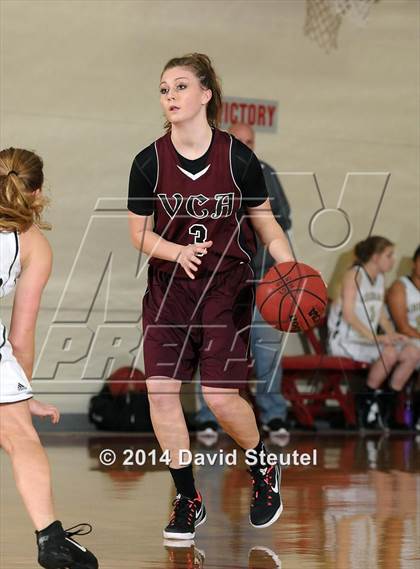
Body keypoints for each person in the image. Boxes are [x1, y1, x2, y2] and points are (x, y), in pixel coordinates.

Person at [127, 53, 294, 539]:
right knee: (160, 391)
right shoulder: (148, 161)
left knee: (221, 399)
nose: (171, 96)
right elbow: (139, 233)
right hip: (169, 288)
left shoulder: (239, 158)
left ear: (205, 95)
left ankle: (263, 468)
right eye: (164, 89)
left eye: (181, 86)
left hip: (226, 287)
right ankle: (187, 496)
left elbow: (267, 227)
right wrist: (177, 251)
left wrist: (289, 273)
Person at [0, 148, 98, 569]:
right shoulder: (33, 244)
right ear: (37, 194)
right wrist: (22, 392)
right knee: (20, 436)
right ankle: (51, 540)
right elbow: (22, 334)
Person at [195, 122, 291, 442]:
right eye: (240, 141)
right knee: (216, 351)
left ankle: (274, 415)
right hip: (220, 281)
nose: (246, 146)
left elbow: (282, 223)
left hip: (261, 280)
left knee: (267, 351)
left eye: (250, 141)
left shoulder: (266, 173)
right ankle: (208, 418)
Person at [328, 236, 420, 429]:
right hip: (344, 339)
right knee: (389, 352)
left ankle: (389, 404)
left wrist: (391, 334)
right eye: (389, 255)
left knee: (412, 352)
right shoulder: (354, 275)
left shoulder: (379, 278)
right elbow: (348, 314)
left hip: (365, 340)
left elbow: (379, 313)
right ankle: (365, 401)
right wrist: (375, 337)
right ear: (375, 257)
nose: (393, 260)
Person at [387, 245, 420, 430]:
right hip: (402, 340)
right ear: (414, 263)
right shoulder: (401, 286)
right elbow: (403, 326)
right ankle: (403, 412)